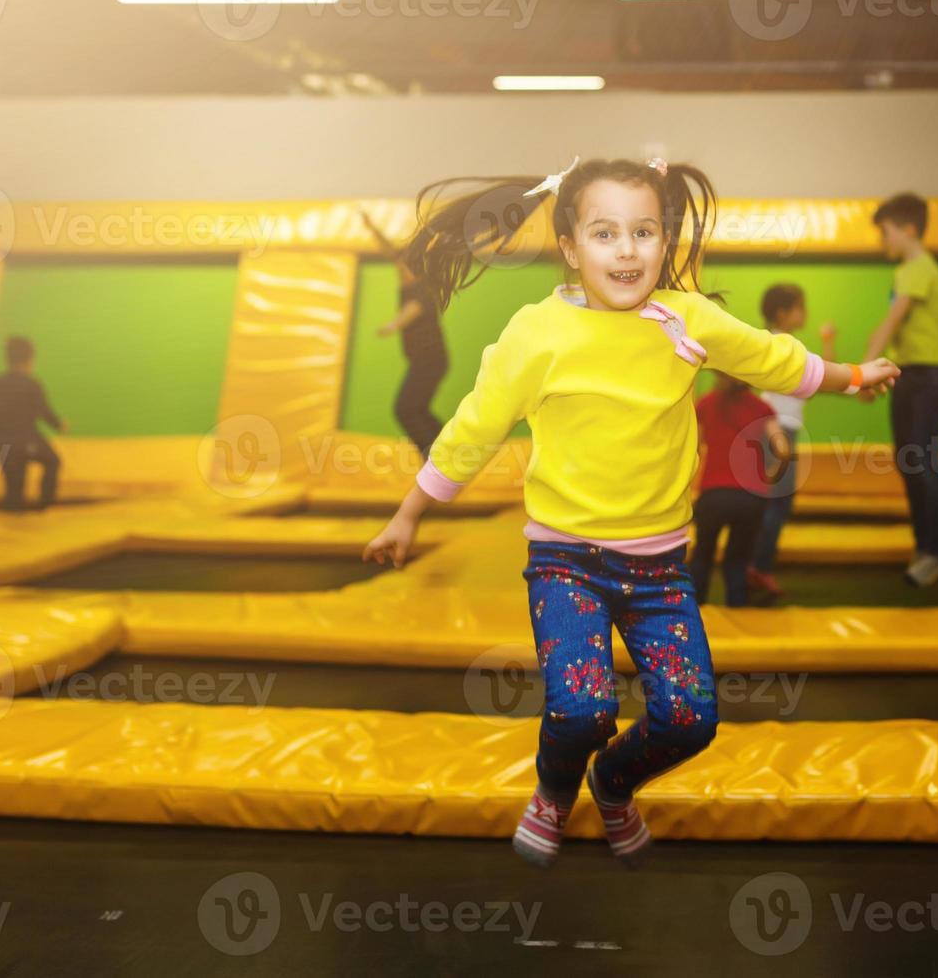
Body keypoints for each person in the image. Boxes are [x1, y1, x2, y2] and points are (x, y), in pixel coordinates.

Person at [363, 157, 899, 870]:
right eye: (605, 232)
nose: (626, 250)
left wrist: (855, 375)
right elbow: (471, 430)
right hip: (566, 562)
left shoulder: (687, 318)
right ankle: (555, 792)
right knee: (581, 711)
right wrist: (409, 512)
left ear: (664, 239)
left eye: (643, 232)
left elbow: (777, 362)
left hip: (660, 569)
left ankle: (612, 784)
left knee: (689, 720)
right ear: (570, 246)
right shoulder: (535, 334)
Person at [862, 192, 938, 588]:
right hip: (911, 374)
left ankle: (937, 550)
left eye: (886, 233)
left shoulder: (918, 267)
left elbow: (892, 322)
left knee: (923, 459)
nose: (883, 241)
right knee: (908, 460)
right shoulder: (907, 271)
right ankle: (924, 545)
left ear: (909, 229)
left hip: (928, 376)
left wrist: (864, 369)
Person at [747, 283, 837, 600]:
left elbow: (822, 378)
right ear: (784, 313)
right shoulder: (781, 345)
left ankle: (756, 565)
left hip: (781, 428)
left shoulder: (782, 343)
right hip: (777, 430)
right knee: (777, 502)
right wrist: (828, 344)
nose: (805, 313)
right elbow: (824, 380)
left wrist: (828, 344)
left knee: (777, 501)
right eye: (800, 307)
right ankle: (757, 567)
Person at [692, 373, 789, 608]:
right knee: (738, 559)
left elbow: (693, 448)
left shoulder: (706, 403)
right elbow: (783, 450)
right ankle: (738, 612)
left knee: (702, 556)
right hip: (752, 496)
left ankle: (694, 612)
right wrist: (770, 478)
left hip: (714, 493)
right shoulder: (762, 408)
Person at [361, 209, 449, 461]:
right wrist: (371, 227)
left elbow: (412, 311)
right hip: (423, 362)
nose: (400, 272)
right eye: (399, 268)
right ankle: (445, 450)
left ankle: (437, 458)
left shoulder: (423, 290)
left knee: (406, 409)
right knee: (415, 409)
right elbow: (389, 250)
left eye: (405, 269)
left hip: (431, 362)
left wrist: (392, 325)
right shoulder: (409, 280)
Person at [0, 336, 67, 512]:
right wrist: (59, 424)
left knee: (14, 490)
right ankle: (45, 506)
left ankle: (10, 527)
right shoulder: (31, 384)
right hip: (28, 441)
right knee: (53, 461)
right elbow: (43, 411)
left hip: (4, 443)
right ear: (29, 359)